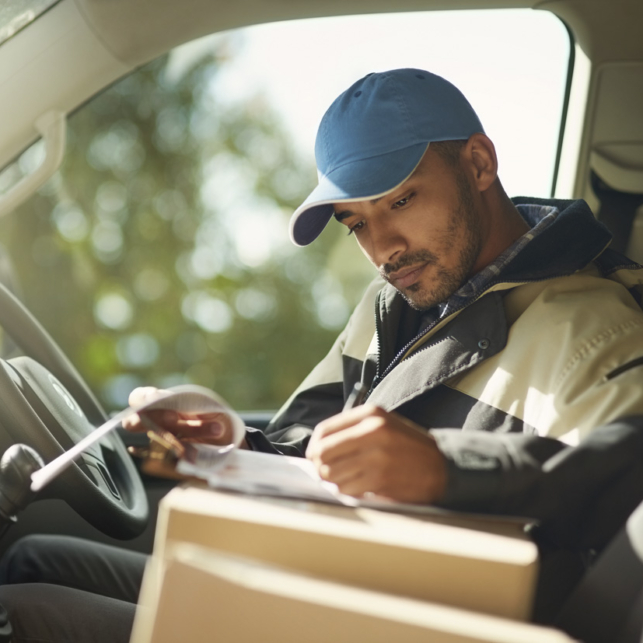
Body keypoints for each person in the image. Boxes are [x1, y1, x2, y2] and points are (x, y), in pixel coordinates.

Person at [3, 67, 643, 641]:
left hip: (416, 616)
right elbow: (305, 448)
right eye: (356, 222)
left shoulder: (593, 319)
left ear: (478, 165)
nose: (384, 247)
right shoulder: (394, 301)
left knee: (25, 613)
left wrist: (452, 469)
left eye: (400, 200)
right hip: (322, 569)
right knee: (36, 558)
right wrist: (233, 447)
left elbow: (625, 474)